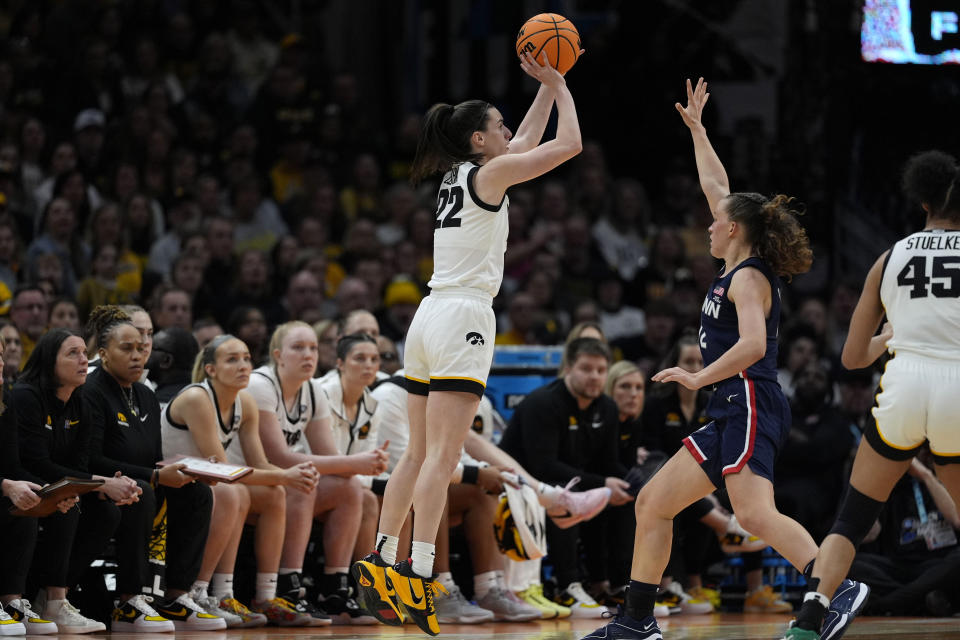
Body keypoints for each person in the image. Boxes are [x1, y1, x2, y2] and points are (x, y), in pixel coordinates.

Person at [582, 78, 863, 640]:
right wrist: (698, 129)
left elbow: (755, 346)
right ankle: (636, 622)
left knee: (755, 514)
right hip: (732, 408)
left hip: (750, 401)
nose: (707, 223)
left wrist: (697, 376)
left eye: (716, 220)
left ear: (733, 229)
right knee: (655, 502)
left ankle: (834, 587)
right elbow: (718, 185)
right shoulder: (738, 259)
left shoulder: (751, 278)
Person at [353, 49, 583, 636]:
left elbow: (525, 137)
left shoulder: (462, 173)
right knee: (443, 458)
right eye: (499, 125)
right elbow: (566, 146)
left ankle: (384, 558)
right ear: (480, 139)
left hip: (428, 317)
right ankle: (421, 574)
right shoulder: (491, 172)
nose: (509, 131)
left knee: (415, 454)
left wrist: (543, 89)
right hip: (463, 319)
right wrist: (560, 86)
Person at [786, 150, 960, 639]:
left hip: (903, 387)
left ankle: (808, 621)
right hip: (957, 390)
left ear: (923, 201)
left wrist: (893, 334)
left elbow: (852, 359)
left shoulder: (891, 256)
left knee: (852, 518)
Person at [160, 335, 320, 627]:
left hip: (203, 486)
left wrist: (289, 478)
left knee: (273, 493)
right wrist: (286, 474)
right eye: (232, 359)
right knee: (235, 493)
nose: (244, 365)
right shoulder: (197, 398)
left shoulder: (244, 402)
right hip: (169, 485)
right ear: (211, 369)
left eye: (246, 358)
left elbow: (258, 463)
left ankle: (261, 596)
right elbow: (222, 470)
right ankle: (196, 592)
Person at [82, 306, 224, 631]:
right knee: (143, 491)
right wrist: (156, 476)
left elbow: (152, 457)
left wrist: (182, 469)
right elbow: (92, 459)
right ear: (103, 354)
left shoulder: (146, 395)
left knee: (197, 492)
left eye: (141, 348)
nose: (137, 355)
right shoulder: (91, 393)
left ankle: (175, 595)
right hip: (102, 488)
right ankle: (129, 601)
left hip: (145, 481)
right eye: (127, 349)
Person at [251, 321, 384, 624]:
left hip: (278, 481)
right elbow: (279, 458)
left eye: (312, 348)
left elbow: (330, 458)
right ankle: (288, 588)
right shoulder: (261, 385)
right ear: (278, 355)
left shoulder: (311, 390)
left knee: (350, 488)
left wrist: (358, 465)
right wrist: (357, 462)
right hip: (249, 477)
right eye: (298, 348)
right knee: (301, 481)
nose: (308, 355)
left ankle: (335, 588)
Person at [13, 329, 142, 633]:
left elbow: (79, 465)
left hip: (57, 485)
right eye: (73, 353)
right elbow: (35, 462)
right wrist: (101, 484)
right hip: (24, 482)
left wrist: (100, 487)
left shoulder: (82, 401)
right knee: (66, 503)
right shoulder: (26, 396)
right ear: (49, 360)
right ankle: (48, 600)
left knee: (108, 510)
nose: (84, 360)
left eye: (85, 353)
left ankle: (53, 597)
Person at [499, 337, 629, 618]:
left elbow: (609, 464)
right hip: (520, 490)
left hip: (573, 484)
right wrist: (603, 484)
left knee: (630, 501)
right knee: (565, 498)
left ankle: (611, 585)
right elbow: (543, 467)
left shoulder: (607, 408)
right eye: (586, 368)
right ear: (568, 368)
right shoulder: (543, 403)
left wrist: (636, 485)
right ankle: (566, 585)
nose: (595, 376)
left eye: (601, 370)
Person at [0, 336, 76, 636]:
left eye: (0, 354)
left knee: (27, 505)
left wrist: (47, 493)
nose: (0, 361)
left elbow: (13, 466)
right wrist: (7, 485)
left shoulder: (4, 398)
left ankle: (11, 602)